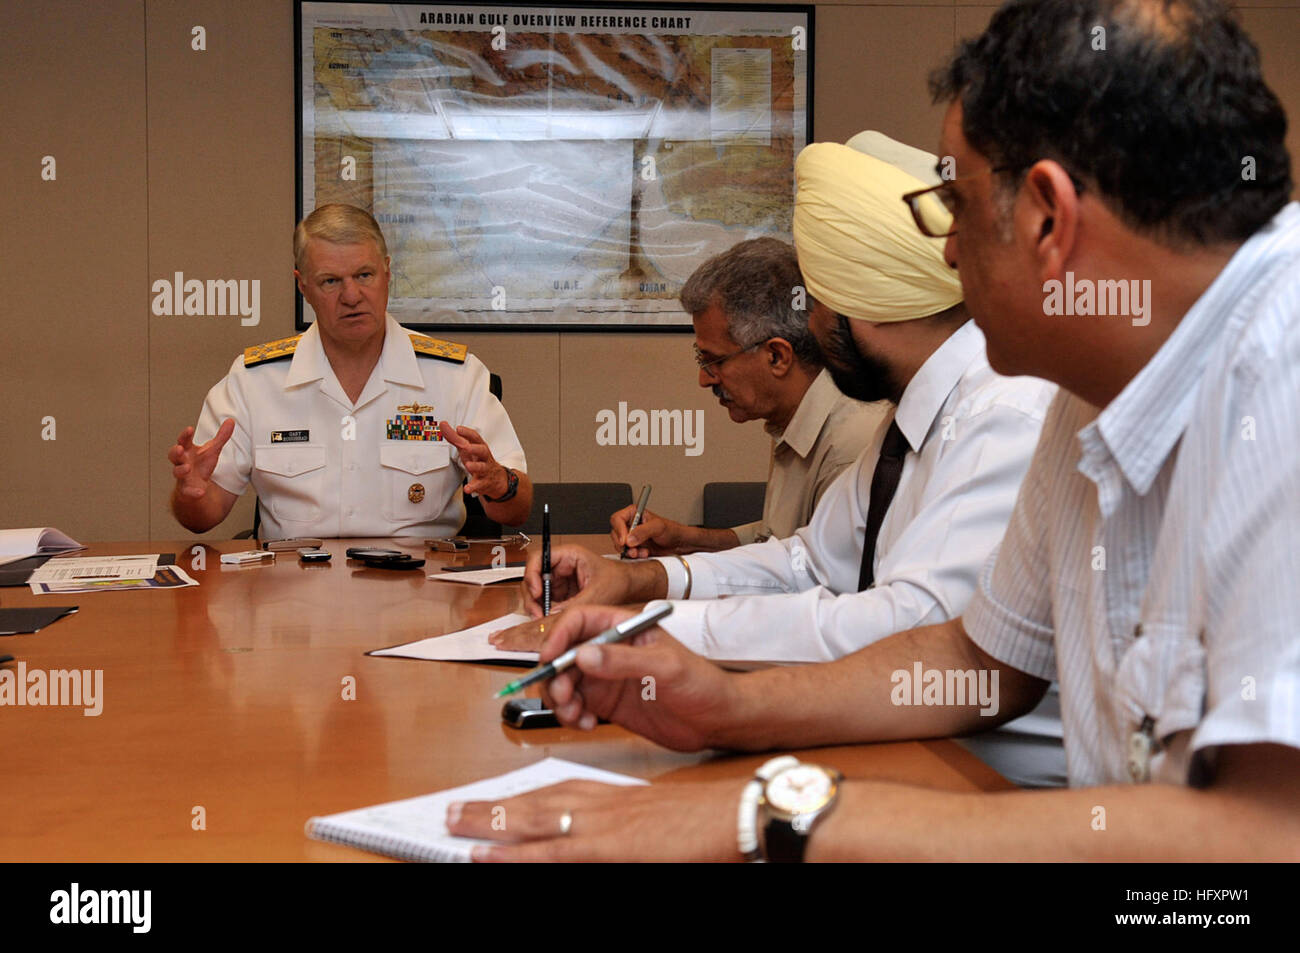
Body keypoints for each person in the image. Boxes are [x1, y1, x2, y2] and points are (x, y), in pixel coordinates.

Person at [449, 0, 1300, 860]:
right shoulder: (1084, 386)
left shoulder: (1283, 372)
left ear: (1047, 217)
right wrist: (725, 705)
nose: (947, 257)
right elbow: (980, 660)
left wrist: (771, 814)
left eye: (952, 209)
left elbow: (1264, 837)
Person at [498, 140, 1055, 670]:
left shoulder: (1001, 416)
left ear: (862, 299)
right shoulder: (905, 423)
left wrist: (646, 629)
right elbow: (807, 561)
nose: (808, 324)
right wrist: (640, 582)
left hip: (969, 765)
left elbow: (906, 625)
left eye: (814, 300)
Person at [168, 204, 532, 539]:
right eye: (331, 281)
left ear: (387, 273)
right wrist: (191, 492)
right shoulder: (254, 381)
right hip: (290, 595)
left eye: (364, 275)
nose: (352, 295)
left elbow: (518, 510)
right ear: (303, 286)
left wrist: (501, 484)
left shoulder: (455, 376)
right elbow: (200, 516)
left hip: (421, 591)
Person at [610, 237, 884, 554]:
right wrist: (683, 538)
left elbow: (809, 583)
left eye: (714, 361)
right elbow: (779, 540)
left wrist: (658, 578)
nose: (703, 379)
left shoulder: (849, 449)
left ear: (777, 357)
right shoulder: (794, 417)